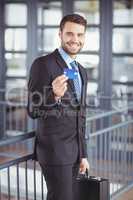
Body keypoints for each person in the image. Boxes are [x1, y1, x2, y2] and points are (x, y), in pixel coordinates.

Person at [27, 13, 90, 200]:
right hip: (55, 153)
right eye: (70, 34)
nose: (75, 40)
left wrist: (83, 154)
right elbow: (32, 109)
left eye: (80, 35)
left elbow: (81, 116)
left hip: (74, 153)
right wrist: (53, 95)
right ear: (60, 34)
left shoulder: (81, 71)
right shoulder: (43, 64)